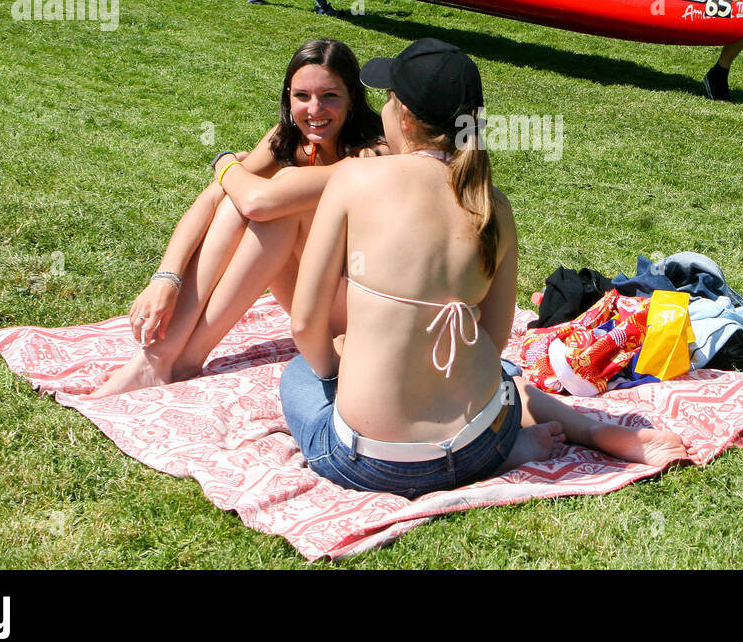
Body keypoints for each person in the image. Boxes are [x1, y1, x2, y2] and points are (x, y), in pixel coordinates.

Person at [281, 38, 690, 497]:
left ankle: (497, 445)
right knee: (503, 373)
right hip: (480, 442)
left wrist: (341, 364)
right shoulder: (494, 204)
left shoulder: (355, 178)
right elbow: (493, 343)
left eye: (389, 99)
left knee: (299, 375)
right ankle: (563, 436)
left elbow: (304, 322)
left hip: (376, 463)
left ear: (406, 117)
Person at [92, 38, 385, 398]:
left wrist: (224, 162)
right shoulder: (290, 137)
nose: (315, 109)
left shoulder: (370, 153)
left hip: (357, 316)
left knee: (276, 205)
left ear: (353, 97)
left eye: (330, 96)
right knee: (234, 202)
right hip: (315, 298)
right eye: (302, 96)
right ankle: (160, 360)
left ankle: (181, 360)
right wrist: (165, 279)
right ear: (288, 96)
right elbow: (217, 196)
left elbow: (259, 202)